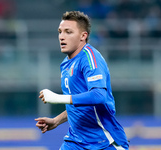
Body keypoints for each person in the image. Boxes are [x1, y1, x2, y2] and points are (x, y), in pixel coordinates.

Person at [35, 11, 129, 150]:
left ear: (83, 36)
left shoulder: (90, 58)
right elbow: (81, 102)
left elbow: (98, 96)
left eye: (68, 32)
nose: (62, 37)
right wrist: (56, 120)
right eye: (60, 32)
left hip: (105, 142)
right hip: (75, 141)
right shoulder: (66, 63)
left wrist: (58, 98)